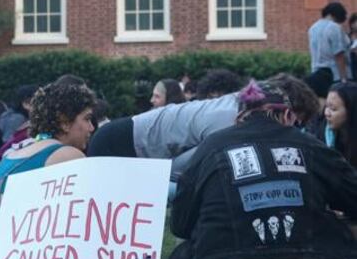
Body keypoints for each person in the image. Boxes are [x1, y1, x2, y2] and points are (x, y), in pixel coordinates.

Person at [166, 80, 357, 259]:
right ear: (287, 116)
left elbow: (180, 224)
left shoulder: (211, 146)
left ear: (240, 117)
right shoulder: (310, 145)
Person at [87, 74, 320, 181]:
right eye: (294, 122)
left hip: (131, 141)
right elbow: (182, 169)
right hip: (119, 145)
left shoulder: (242, 108)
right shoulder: (230, 119)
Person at [0, 82, 96, 259]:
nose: (91, 127)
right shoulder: (67, 156)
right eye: (87, 119)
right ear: (64, 121)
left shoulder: (15, 153)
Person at [308, 1, 350, 83]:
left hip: (316, 72)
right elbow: (339, 54)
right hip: (334, 74)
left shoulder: (313, 28)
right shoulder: (334, 27)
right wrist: (344, 79)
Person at [323, 82, 357, 168]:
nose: (327, 113)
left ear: (350, 112)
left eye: (333, 109)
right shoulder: (324, 134)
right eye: (326, 106)